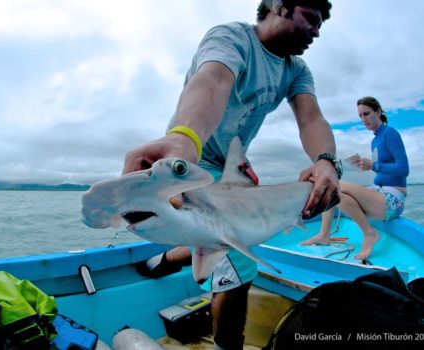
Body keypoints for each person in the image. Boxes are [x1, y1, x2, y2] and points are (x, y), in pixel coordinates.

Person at [124, 1, 339, 349]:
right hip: (193, 159)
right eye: (311, 19)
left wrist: (326, 160)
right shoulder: (232, 38)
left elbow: (311, 118)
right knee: (238, 270)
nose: (316, 31)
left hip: (233, 164)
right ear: (280, 7)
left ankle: (165, 259)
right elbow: (214, 80)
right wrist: (185, 138)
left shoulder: (296, 70)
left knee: (227, 236)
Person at [301, 96, 409, 261]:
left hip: (393, 200)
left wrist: (373, 165)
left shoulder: (390, 133)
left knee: (333, 183)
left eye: (366, 114)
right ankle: (324, 234)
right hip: (379, 193)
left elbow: (403, 169)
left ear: (378, 112)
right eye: (360, 116)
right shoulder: (375, 141)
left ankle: (369, 233)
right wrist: (361, 165)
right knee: (334, 193)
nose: (363, 119)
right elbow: (382, 169)